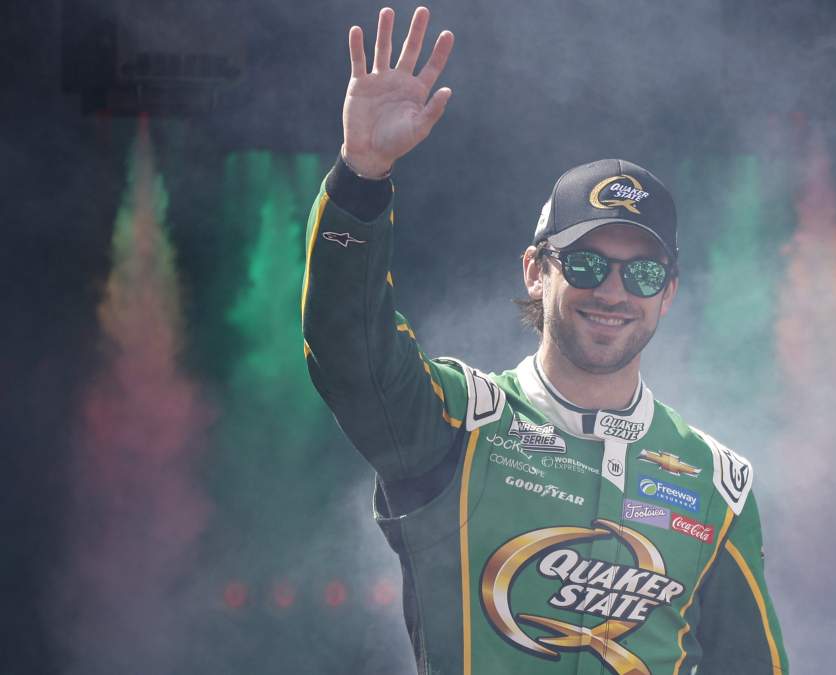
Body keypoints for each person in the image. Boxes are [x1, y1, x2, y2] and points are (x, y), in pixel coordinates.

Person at [301, 6, 788, 674]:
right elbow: (346, 346)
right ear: (535, 270)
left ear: (668, 292)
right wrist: (361, 175)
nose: (613, 290)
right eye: (586, 264)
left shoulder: (715, 483)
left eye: (642, 273)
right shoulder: (456, 423)